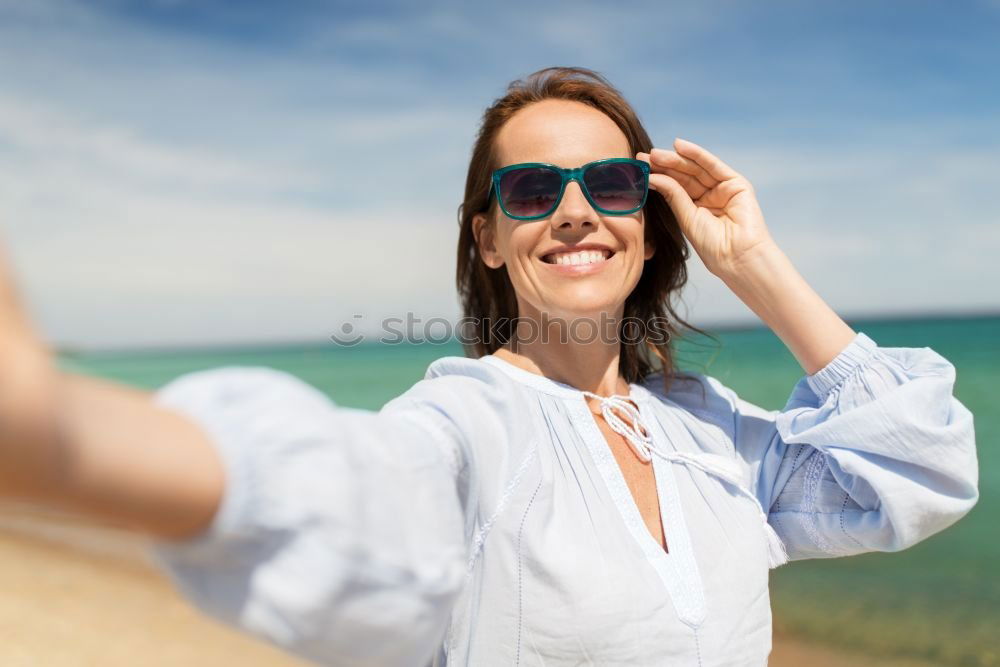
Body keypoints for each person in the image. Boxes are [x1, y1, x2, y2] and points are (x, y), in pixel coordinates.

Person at [0, 66, 978, 666]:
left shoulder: (706, 427)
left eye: (610, 182)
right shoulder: (468, 424)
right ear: (489, 238)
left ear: (650, 223)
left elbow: (913, 472)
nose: (574, 209)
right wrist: (55, 436)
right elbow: (352, 493)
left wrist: (754, 265)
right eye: (530, 188)